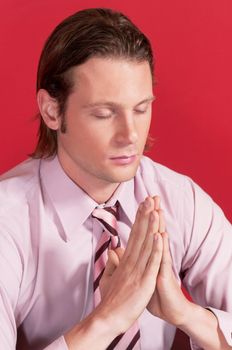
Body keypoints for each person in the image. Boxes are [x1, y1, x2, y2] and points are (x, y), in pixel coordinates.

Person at [0, 7, 231, 350]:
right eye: (104, 114)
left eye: (141, 109)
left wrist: (184, 313)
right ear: (52, 111)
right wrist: (107, 319)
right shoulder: (9, 218)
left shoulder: (180, 200)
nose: (130, 135)